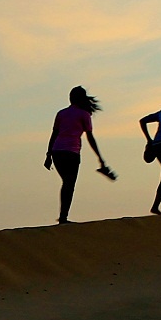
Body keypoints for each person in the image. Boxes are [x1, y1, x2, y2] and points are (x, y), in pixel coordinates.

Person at [44, 86, 114, 224]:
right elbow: (90, 138)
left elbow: (54, 135)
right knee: (69, 183)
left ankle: (63, 216)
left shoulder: (61, 113)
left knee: (67, 182)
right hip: (71, 152)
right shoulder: (84, 114)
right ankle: (63, 217)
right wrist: (100, 158)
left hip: (57, 152)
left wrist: (48, 155)